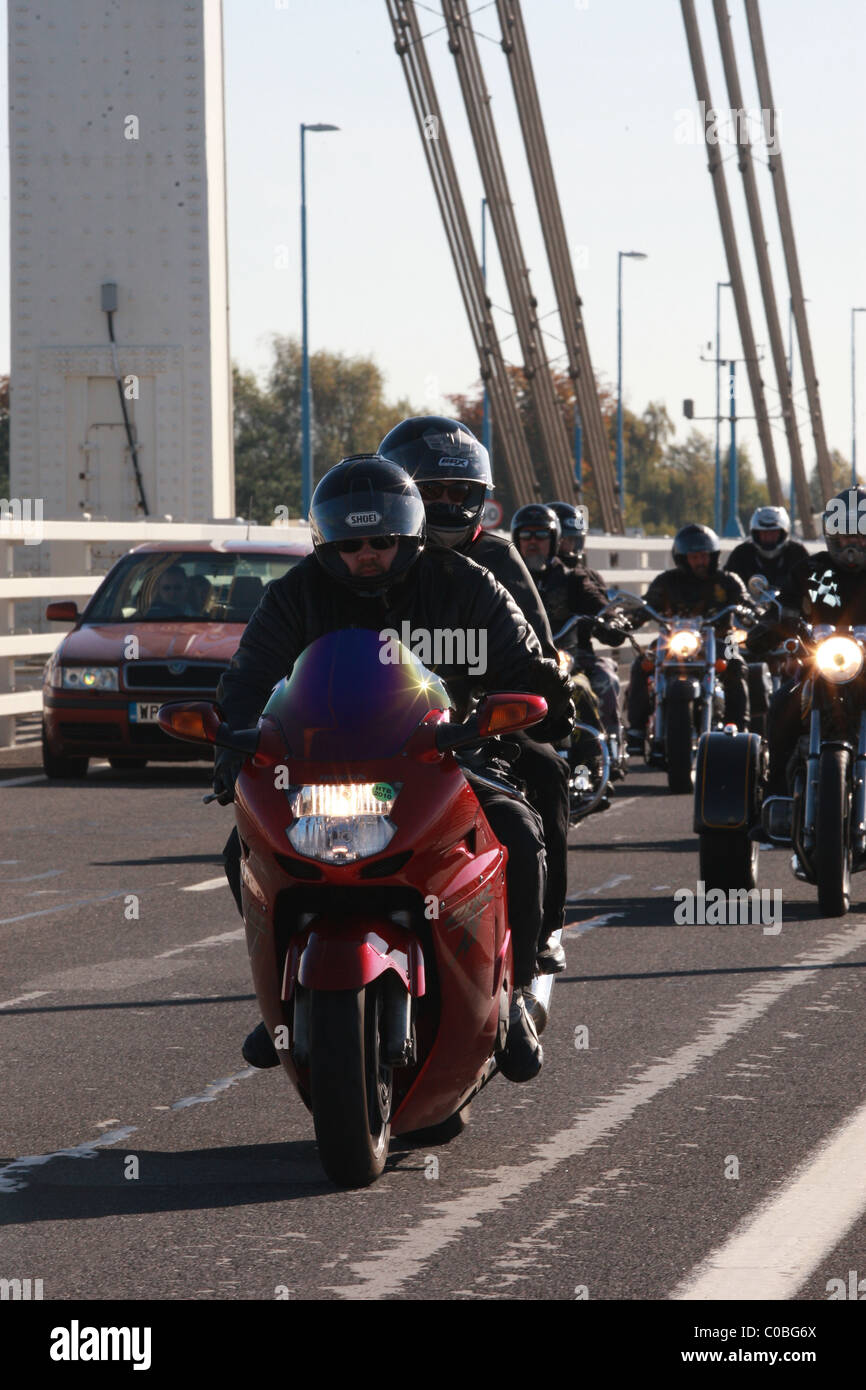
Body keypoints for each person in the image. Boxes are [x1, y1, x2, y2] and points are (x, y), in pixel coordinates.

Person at [215, 454, 574, 1083]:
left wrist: (543, 695)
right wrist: (232, 750)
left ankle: (516, 993)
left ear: (409, 535)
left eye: (382, 540)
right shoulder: (295, 595)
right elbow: (248, 677)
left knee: (518, 827)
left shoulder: (466, 583)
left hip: (449, 756)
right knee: (240, 848)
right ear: (327, 542)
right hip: (320, 767)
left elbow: (521, 655)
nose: (369, 555)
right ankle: (279, 998)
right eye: (352, 544)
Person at [377, 415, 569, 973]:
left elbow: (539, 655)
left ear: (478, 496)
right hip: (377, 733)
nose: (443, 502)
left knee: (547, 774)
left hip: (478, 735)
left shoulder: (498, 560)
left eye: (456, 491)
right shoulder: (371, 559)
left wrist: (528, 707)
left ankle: (540, 939)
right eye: (429, 489)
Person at [747, 486, 866, 799]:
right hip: (819, 665)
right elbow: (782, 609)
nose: (852, 545)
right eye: (845, 536)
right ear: (832, 535)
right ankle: (776, 795)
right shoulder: (810, 570)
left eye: (860, 536)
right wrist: (766, 628)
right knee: (783, 703)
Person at [511, 502, 628, 751]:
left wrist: (610, 619)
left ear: (554, 540)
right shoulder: (504, 577)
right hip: (520, 662)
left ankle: (600, 750)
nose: (533, 541)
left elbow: (598, 604)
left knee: (589, 686)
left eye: (541, 535)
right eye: (526, 535)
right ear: (516, 539)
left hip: (571, 657)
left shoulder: (572, 577)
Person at [625, 523, 750, 746]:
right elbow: (647, 604)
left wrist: (751, 611)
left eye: (704, 556)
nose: (700, 562)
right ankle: (635, 729)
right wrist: (628, 618)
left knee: (736, 664)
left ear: (713, 556)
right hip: (673, 640)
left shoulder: (728, 581)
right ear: (683, 558)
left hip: (722, 639)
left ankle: (739, 728)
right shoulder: (666, 581)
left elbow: (746, 603)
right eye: (694, 557)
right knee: (641, 665)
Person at [724, 506, 809, 589]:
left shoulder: (798, 553)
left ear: (783, 533)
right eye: (764, 533)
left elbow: (812, 585)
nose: (768, 537)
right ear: (756, 534)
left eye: (773, 532)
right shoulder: (741, 554)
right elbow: (727, 585)